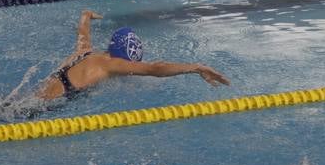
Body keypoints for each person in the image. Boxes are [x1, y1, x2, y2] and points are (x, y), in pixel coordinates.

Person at [36, 10, 230, 101]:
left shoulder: (85, 52)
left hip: (35, 98)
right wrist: (196, 67)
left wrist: (86, 16)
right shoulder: (112, 64)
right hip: (48, 108)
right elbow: (156, 68)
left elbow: (83, 33)